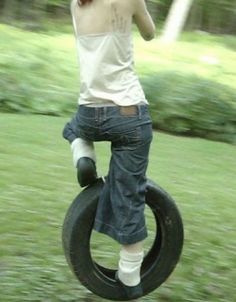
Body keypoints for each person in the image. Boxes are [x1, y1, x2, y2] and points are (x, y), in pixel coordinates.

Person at [63, 0, 155, 299]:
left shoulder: (77, 4)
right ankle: (129, 274)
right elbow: (149, 33)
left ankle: (83, 153)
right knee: (129, 192)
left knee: (73, 129)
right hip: (128, 113)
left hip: (89, 113)